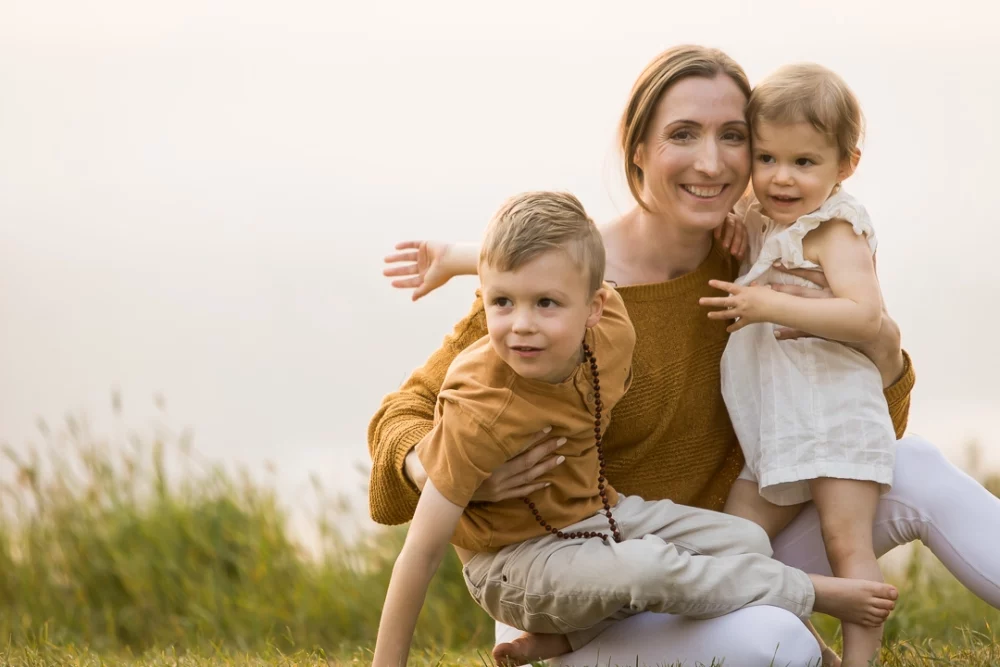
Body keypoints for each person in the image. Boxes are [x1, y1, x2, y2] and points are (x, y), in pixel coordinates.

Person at [370, 45, 1000, 666]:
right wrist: (448, 472)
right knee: (769, 642)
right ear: (638, 151)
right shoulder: (557, 290)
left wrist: (880, 344)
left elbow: (858, 432)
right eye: (683, 134)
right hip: (584, 587)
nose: (711, 161)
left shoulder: (763, 258)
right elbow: (401, 418)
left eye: (732, 136)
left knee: (909, 463)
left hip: (723, 554)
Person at [371, 191, 895, 667]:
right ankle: (813, 592)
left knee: (746, 537)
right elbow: (420, 553)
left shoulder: (613, 328)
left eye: (546, 304)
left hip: (600, 513)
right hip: (516, 566)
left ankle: (573, 639)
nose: (521, 324)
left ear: (596, 307)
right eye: (501, 303)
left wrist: (457, 255)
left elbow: (554, 259)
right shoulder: (481, 407)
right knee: (648, 568)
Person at [696, 62, 893, 667]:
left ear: (845, 165)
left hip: (835, 419)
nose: (782, 178)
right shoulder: (761, 217)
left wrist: (766, 303)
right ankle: (815, 655)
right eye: (767, 158)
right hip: (775, 433)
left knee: (845, 542)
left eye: (804, 163)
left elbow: (866, 317)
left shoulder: (833, 229)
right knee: (734, 544)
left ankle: (860, 661)